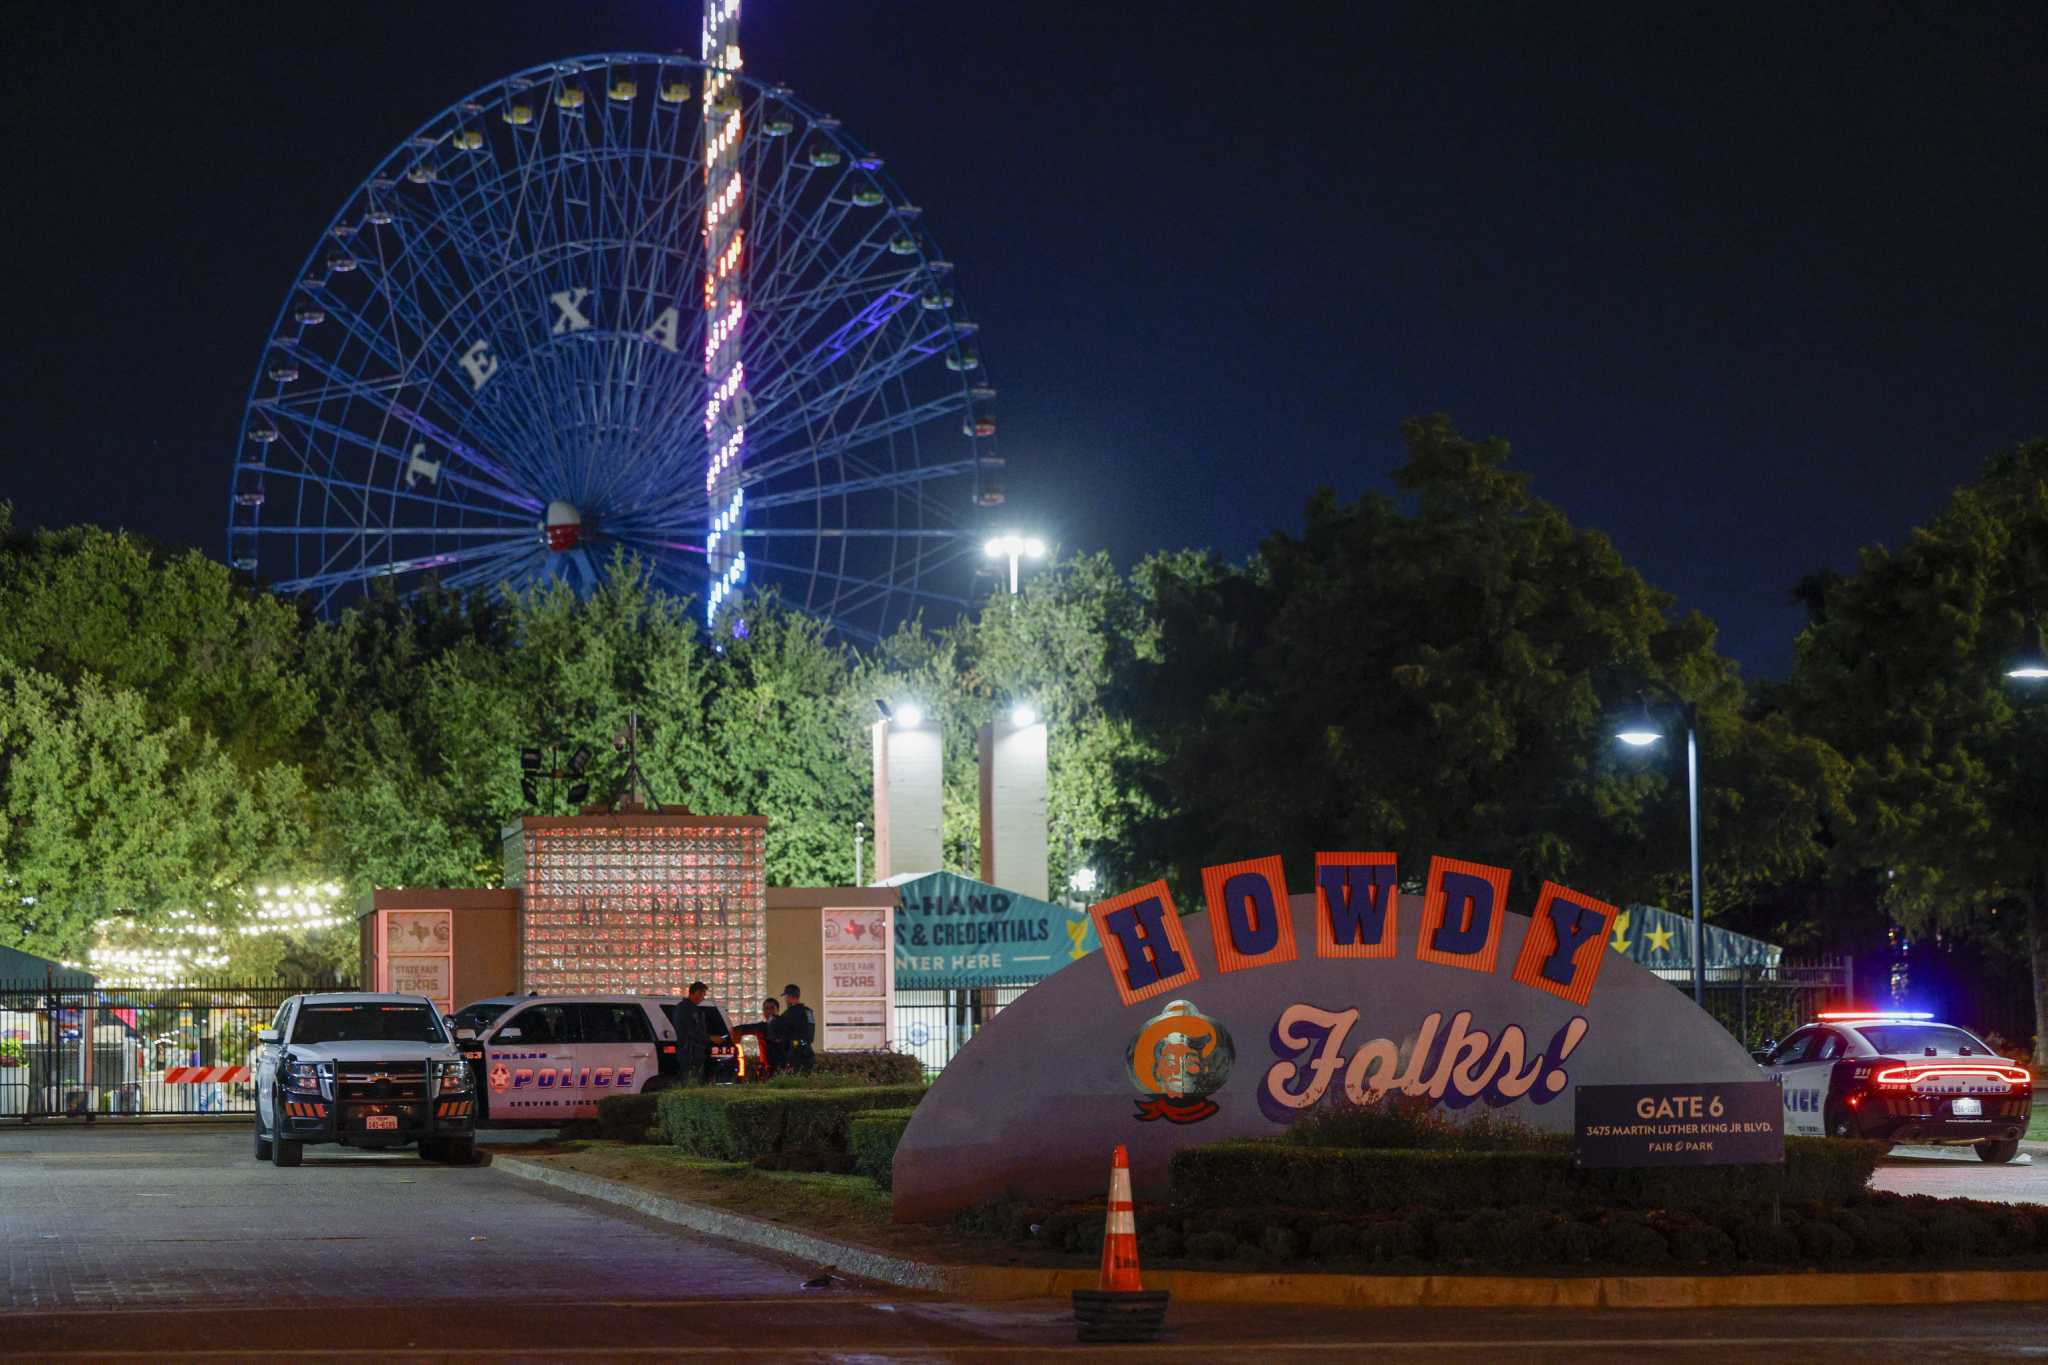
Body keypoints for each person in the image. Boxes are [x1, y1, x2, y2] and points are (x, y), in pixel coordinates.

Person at [673, 981, 710, 1084]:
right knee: (691, 1083)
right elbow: (691, 1031)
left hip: (695, 1052)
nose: (703, 998)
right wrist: (710, 1038)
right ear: (697, 992)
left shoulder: (694, 1010)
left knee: (695, 1082)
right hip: (689, 1053)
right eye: (703, 994)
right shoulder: (685, 1009)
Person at [777, 983, 817, 1074]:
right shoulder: (808, 1011)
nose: (785, 999)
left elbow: (785, 1036)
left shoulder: (788, 1014)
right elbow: (810, 1034)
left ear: (789, 997)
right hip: (808, 1053)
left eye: (786, 996)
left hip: (795, 1055)